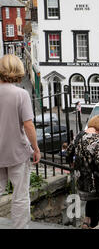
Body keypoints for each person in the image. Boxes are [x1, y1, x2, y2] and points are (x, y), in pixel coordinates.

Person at [0, 54, 41, 229]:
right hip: (17, 151)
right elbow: (28, 125)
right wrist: (36, 148)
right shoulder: (21, 94)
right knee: (20, 195)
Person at [66, 115, 99, 229]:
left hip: (81, 180)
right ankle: (92, 225)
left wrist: (73, 164)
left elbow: (68, 152)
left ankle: (86, 221)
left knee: (90, 201)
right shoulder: (98, 140)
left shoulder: (79, 136)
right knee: (97, 203)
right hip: (94, 181)